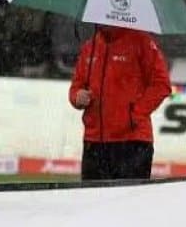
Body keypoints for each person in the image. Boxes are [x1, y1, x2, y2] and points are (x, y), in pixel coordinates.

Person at [69, 25, 171, 180]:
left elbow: (162, 85)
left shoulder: (141, 41)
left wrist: (135, 115)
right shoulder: (90, 47)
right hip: (94, 142)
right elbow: (76, 87)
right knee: (93, 203)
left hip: (132, 142)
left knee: (129, 202)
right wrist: (77, 96)